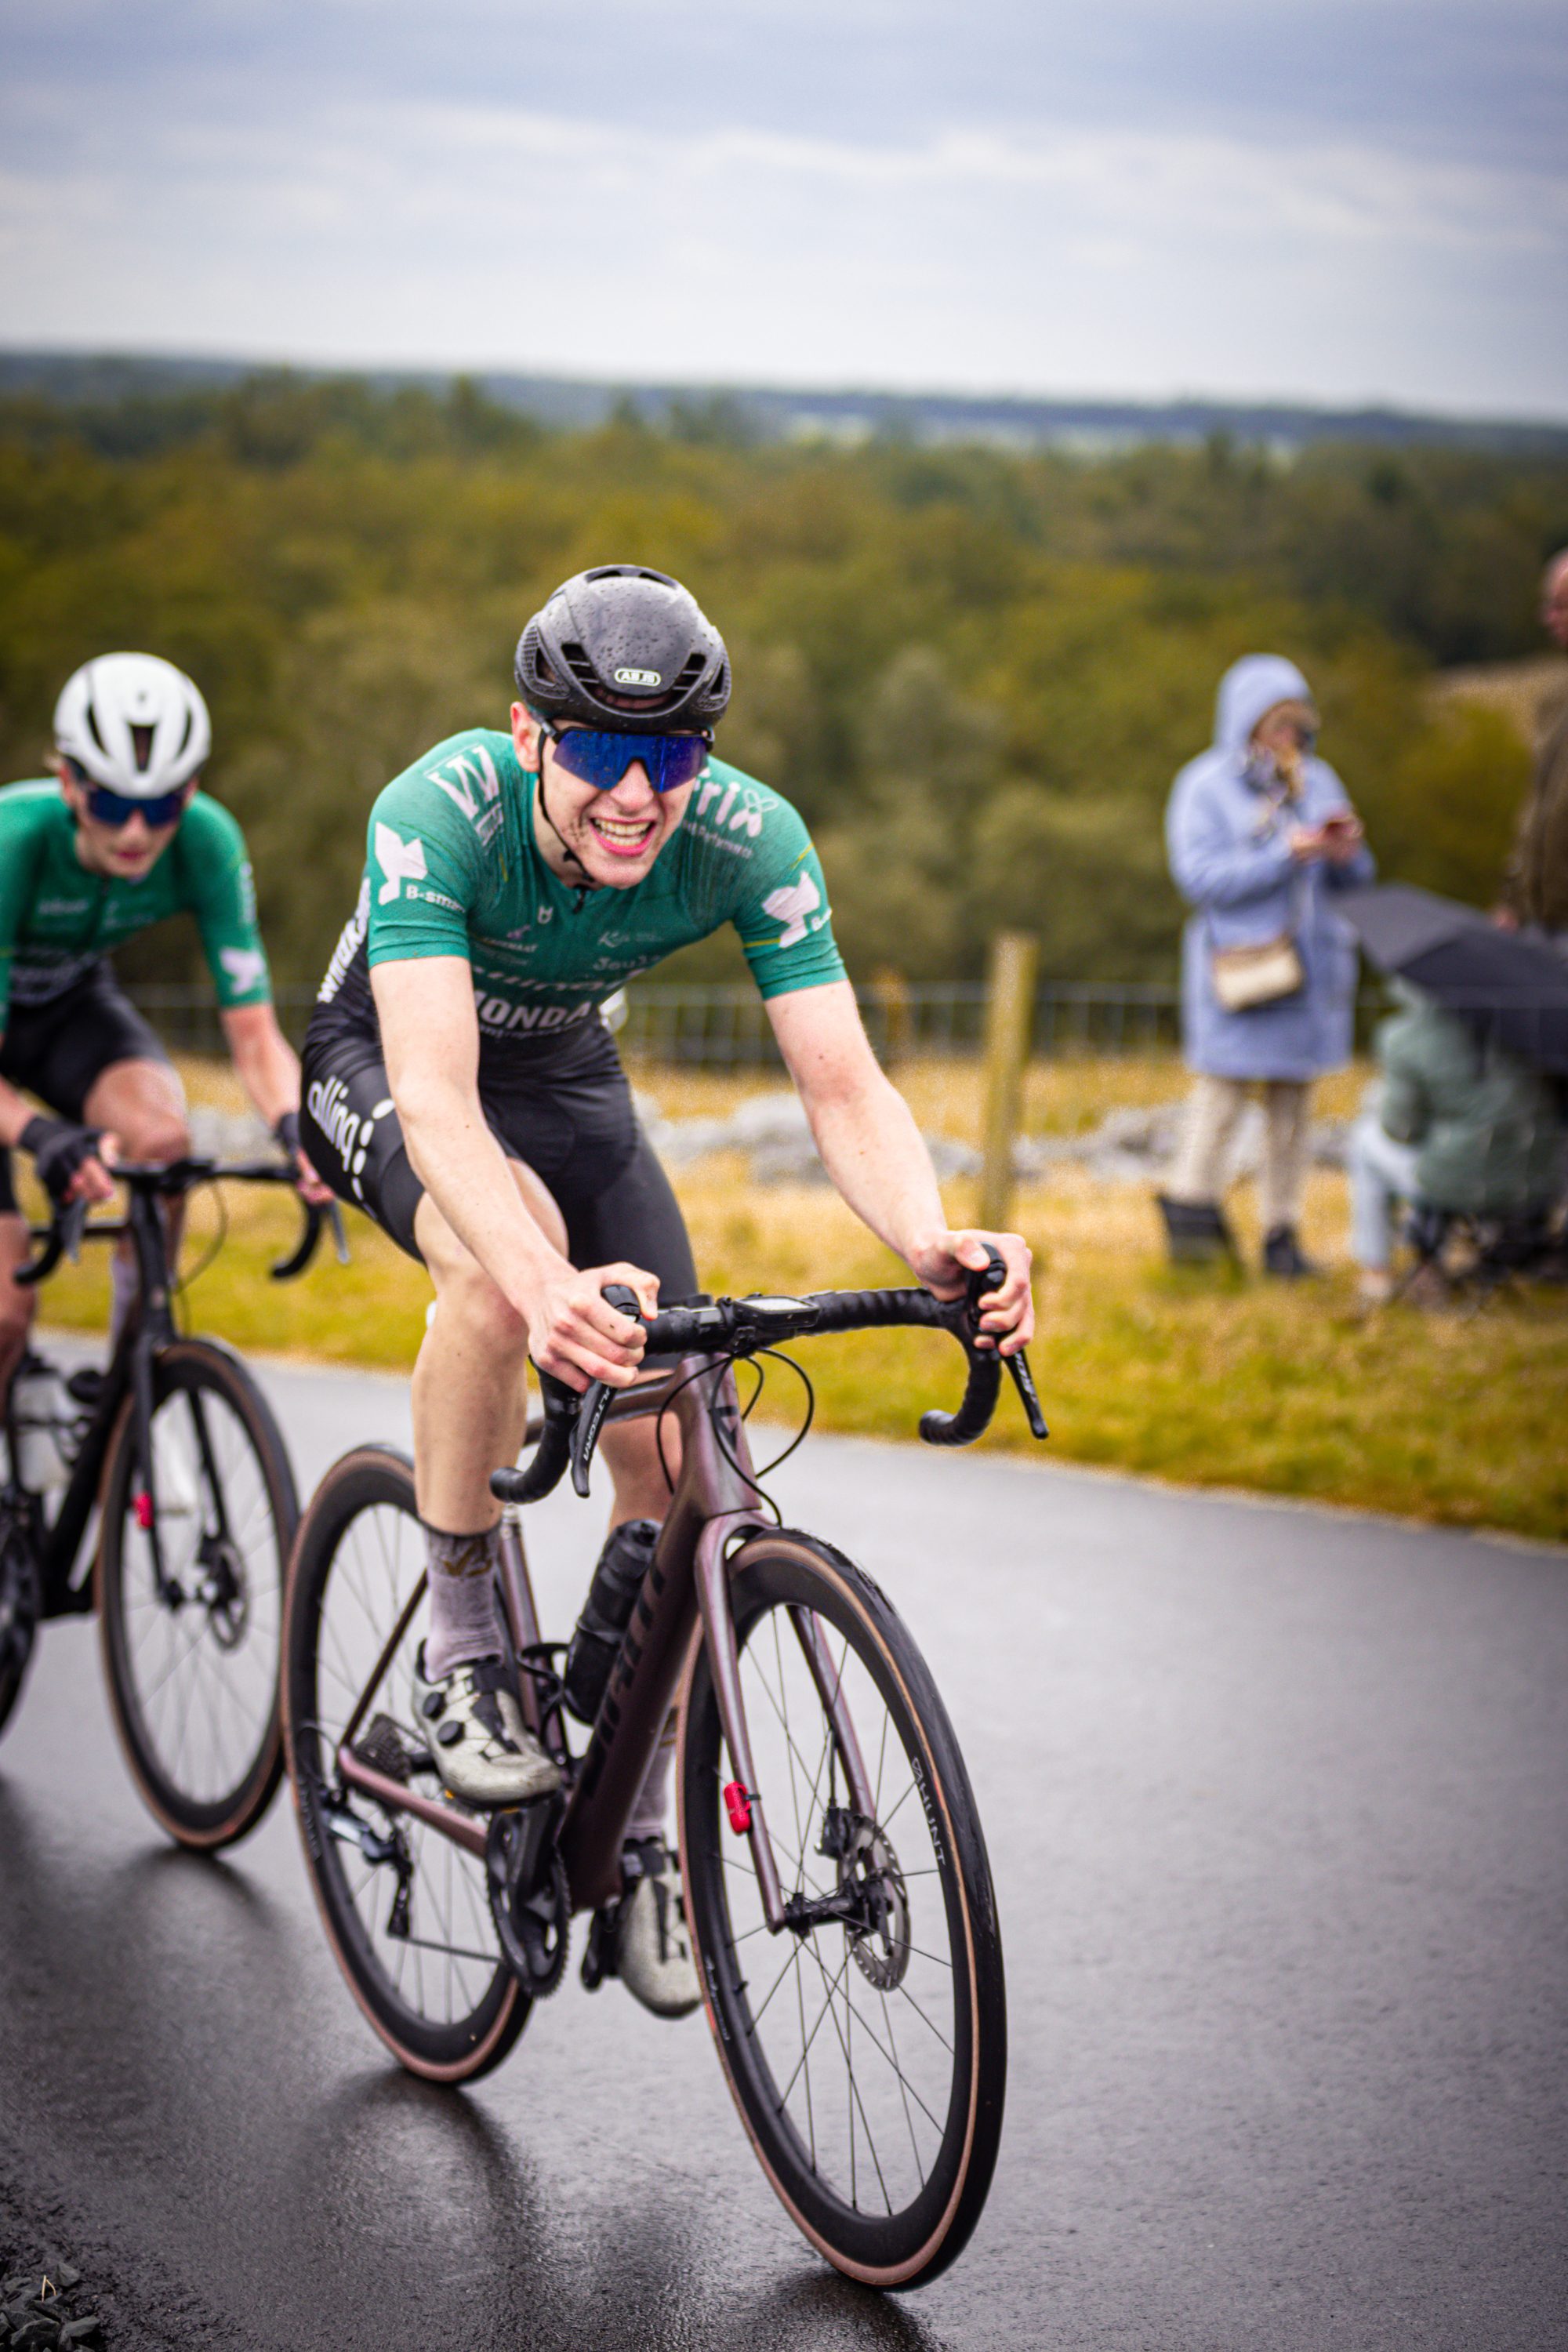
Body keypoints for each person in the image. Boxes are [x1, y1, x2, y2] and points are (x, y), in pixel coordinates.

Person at [299, 563, 1034, 2016]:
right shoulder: (438, 809)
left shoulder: (753, 838)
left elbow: (842, 1086)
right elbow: (442, 1104)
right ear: (530, 736)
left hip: (570, 1074)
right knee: (504, 1288)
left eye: (674, 758)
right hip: (391, 1062)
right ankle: (464, 1644)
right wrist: (539, 1276)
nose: (637, 794)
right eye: (599, 755)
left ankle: (635, 1822)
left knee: (684, 1434)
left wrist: (936, 1243)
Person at [0, 653, 326, 1403]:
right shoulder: (17, 844)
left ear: (192, 790)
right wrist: (40, 1138)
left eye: (163, 804)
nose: (139, 831)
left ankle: (126, 1392)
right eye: (113, 805)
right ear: (69, 784)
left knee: (163, 1146)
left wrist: (297, 1129)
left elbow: (253, 1035)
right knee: (9, 1307)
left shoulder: (207, 841)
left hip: (68, 1007)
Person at [1157, 654, 1375, 1277]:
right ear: (1245, 723)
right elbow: (1199, 879)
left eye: (1298, 725)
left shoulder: (1319, 780)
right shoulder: (1204, 786)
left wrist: (1343, 851)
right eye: (1277, 724)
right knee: (1222, 1095)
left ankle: (1283, 1236)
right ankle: (1192, 1222)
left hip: (1311, 973)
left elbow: (1358, 877)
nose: (1289, 738)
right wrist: (1286, 853)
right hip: (1242, 973)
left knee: (1293, 1107)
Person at [1348, 983, 1565, 1305]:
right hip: (1536, 1180)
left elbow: (1400, 1130)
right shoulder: (1537, 1026)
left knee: (1365, 1140)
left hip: (1454, 1182)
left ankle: (1378, 1271)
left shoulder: (1406, 1037)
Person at [1496, 547, 1568, 948]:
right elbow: (1534, 813)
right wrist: (1512, 900)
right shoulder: (1556, 701)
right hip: (1540, 929)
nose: (1549, 619)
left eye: (1562, 607)